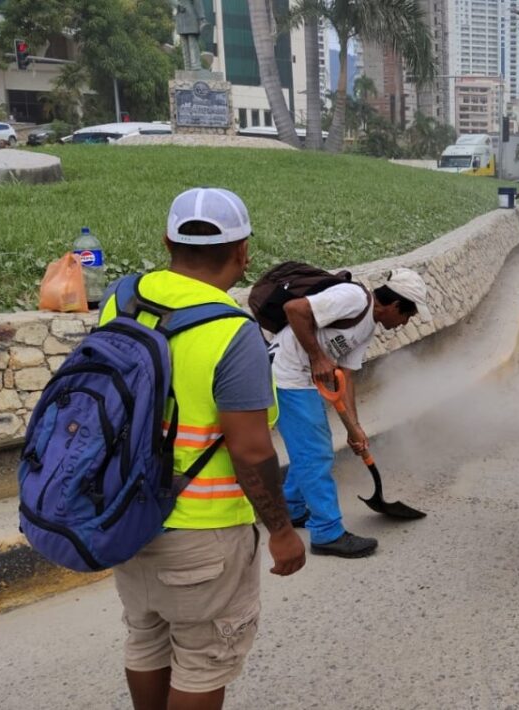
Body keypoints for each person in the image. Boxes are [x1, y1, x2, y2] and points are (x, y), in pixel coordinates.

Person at [100, 187, 306, 710]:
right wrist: (282, 532)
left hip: (126, 512)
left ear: (168, 240)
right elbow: (251, 450)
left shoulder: (123, 298)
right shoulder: (231, 332)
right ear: (243, 252)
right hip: (201, 532)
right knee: (202, 657)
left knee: (145, 637)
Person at [268, 267, 431, 558]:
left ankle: (291, 509)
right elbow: (294, 309)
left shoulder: (367, 327)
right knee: (315, 453)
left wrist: (354, 427)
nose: (406, 323)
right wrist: (318, 357)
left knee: (312, 450)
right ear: (394, 305)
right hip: (287, 374)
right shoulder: (353, 298)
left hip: (304, 380)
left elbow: (345, 376)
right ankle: (327, 533)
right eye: (408, 315)